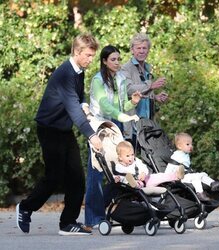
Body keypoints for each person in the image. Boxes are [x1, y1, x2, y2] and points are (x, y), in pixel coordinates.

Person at [16, 33, 103, 236]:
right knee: (54, 176)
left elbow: (77, 99)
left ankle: (68, 223)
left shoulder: (79, 71)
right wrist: (92, 135)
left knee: (77, 177)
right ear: (77, 51)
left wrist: (86, 107)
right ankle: (26, 207)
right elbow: (72, 109)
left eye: (92, 56)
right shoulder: (65, 73)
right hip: (49, 129)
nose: (91, 60)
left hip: (63, 129)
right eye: (88, 55)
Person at [84, 45, 141, 231]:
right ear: (104, 61)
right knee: (97, 170)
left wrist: (132, 102)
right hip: (98, 127)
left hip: (114, 127)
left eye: (118, 59)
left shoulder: (121, 78)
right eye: (113, 60)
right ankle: (93, 217)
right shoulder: (98, 80)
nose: (117, 63)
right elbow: (105, 106)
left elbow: (120, 105)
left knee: (118, 172)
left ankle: (116, 212)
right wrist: (124, 117)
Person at [121, 32, 168, 147]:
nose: (141, 51)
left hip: (148, 122)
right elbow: (128, 89)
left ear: (148, 50)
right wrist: (150, 86)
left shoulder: (147, 67)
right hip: (133, 123)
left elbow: (143, 93)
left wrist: (155, 97)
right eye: (138, 48)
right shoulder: (126, 68)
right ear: (132, 50)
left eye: (144, 48)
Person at [165, 132, 219, 201]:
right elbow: (170, 166)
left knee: (203, 174)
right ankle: (200, 193)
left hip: (187, 175)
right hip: (179, 178)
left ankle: (213, 183)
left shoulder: (185, 154)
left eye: (191, 144)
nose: (191, 146)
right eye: (187, 144)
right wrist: (169, 179)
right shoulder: (176, 155)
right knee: (196, 177)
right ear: (179, 146)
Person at [113, 141, 184, 188]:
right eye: (127, 156)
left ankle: (176, 175)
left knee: (159, 176)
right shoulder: (118, 167)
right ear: (120, 157)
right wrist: (117, 178)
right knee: (131, 182)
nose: (131, 157)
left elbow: (143, 167)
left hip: (145, 179)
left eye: (132, 154)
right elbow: (117, 175)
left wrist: (143, 173)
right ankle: (134, 185)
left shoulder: (136, 161)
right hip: (133, 184)